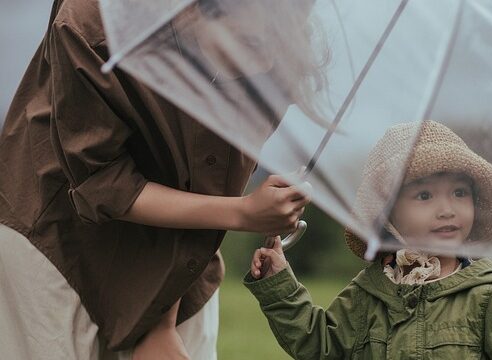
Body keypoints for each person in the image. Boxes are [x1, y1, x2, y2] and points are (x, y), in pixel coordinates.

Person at [0, 0, 324, 359]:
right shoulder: (91, 24)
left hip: (186, 248)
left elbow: (208, 178)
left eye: (277, 43)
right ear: (193, 9)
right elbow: (101, 181)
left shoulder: (277, 58)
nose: (264, 63)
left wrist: (162, 319)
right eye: (250, 44)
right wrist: (245, 213)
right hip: (61, 235)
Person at [245, 120, 492, 359]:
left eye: (459, 193)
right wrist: (279, 285)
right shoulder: (371, 291)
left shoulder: (488, 292)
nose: (447, 209)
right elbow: (320, 343)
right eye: (424, 196)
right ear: (388, 214)